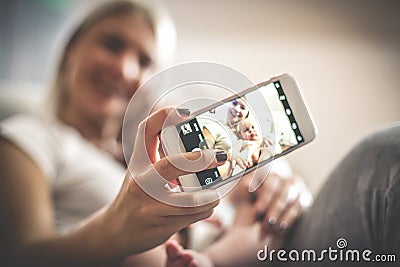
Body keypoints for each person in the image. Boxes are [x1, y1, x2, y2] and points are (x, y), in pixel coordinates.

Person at [0, 1, 309, 266]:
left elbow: (246, 183)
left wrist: (280, 178)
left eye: (144, 61)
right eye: (112, 44)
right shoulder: (30, 137)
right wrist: (113, 229)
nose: (125, 69)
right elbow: (20, 257)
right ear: (71, 50)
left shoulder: (154, 147)